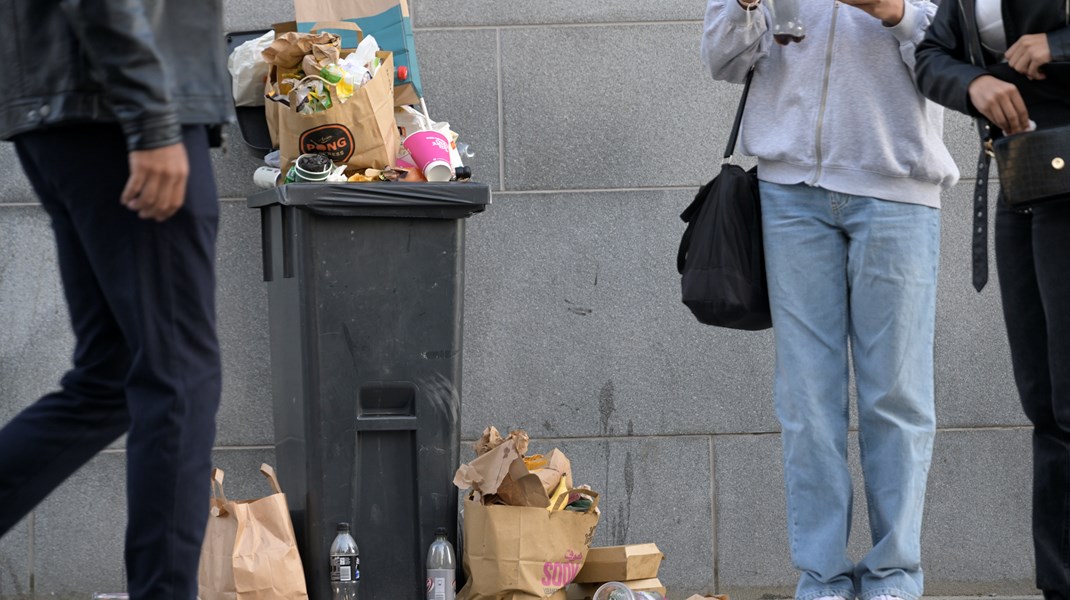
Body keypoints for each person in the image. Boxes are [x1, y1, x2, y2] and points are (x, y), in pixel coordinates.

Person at [701, 1, 959, 600]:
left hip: (896, 187)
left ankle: (894, 578)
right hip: (789, 192)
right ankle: (821, 580)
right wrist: (743, 8)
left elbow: (955, 60)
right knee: (806, 401)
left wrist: (892, 11)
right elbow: (722, 59)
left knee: (896, 396)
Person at [0, 0, 232, 598]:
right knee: (178, 374)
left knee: (110, 378)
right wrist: (152, 118)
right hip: (123, 104)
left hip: (73, 103)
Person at [915, 5, 1070, 600]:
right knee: (1047, 404)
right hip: (1023, 179)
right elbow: (930, 54)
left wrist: (1060, 44)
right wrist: (973, 82)